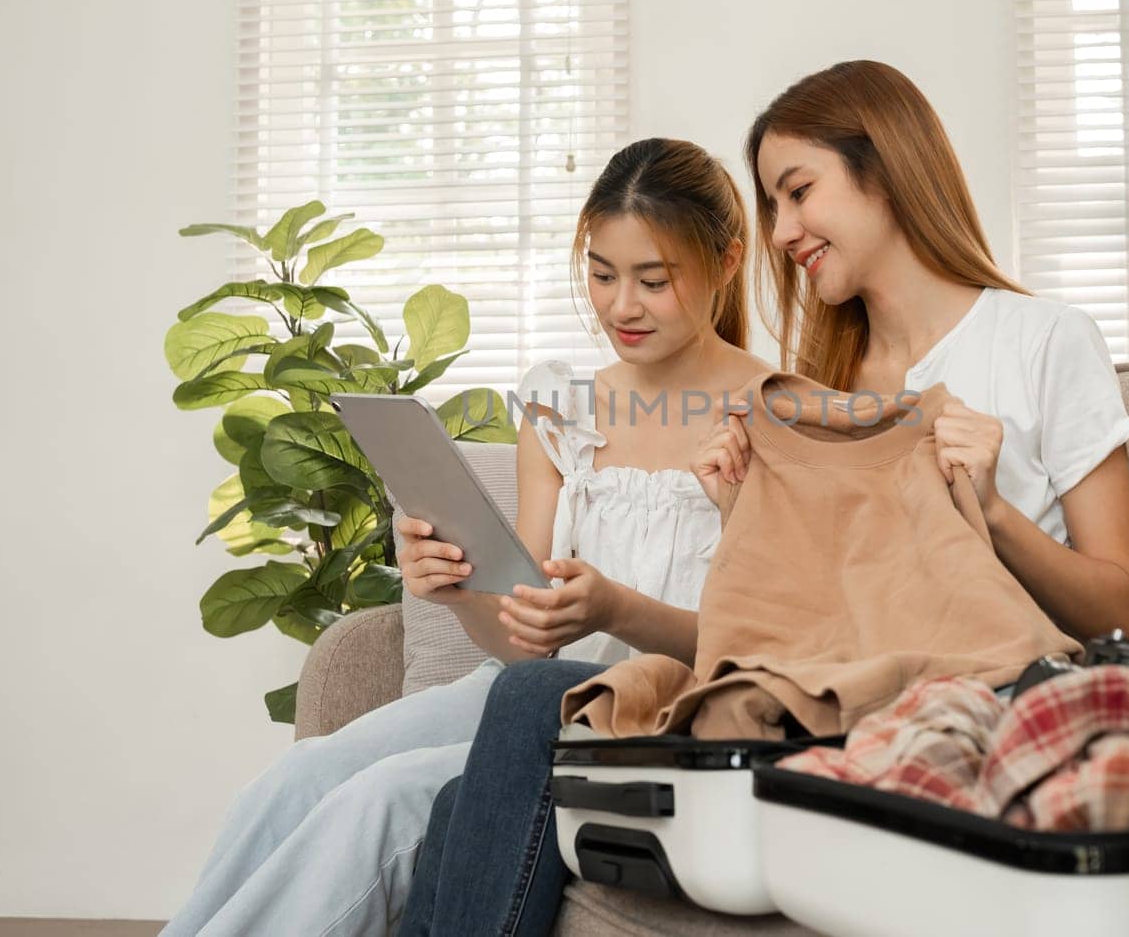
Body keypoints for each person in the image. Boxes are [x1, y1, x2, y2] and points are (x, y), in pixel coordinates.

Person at [401, 60, 1129, 936]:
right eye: (772, 205)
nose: (784, 230)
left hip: (952, 689)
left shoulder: (1043, 340)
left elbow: (1124, 612)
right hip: (815, 689)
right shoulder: (810, 385)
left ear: (889, 170)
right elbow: (805, 599)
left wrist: (992, 513)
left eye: (799, 193)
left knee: (528, 710)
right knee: (460, 807)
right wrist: (737, 513)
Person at [162, 137, 766, 937]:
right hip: (516, 692)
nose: (622, 306)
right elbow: (520, 643)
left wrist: (614, 607)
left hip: (638, 714)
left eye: (654, 280)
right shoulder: (559, 406)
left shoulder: (772, 413)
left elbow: (762, 647)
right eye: (601, 272)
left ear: (726, 263)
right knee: (306, 773)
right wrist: (452, 584)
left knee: (384, 803)